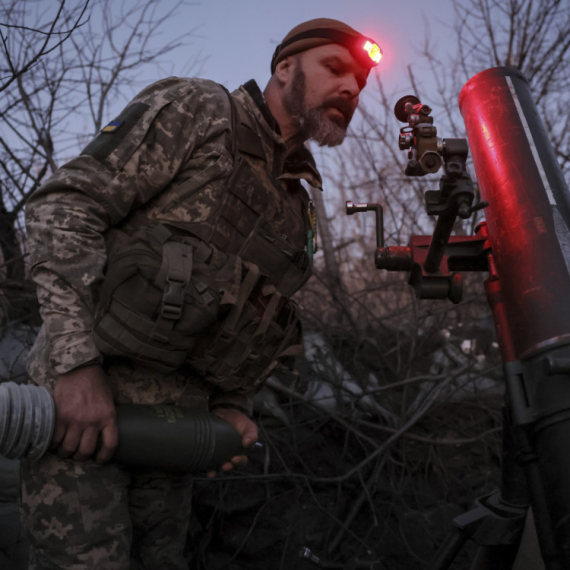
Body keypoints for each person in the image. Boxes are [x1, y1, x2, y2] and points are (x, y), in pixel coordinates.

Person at [21, 17, 381, 570]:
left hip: (176, 438)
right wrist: (74, 367)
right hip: (86, 415)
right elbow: (63, 209)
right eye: (336, 68)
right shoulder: (201, 112)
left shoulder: (297, 207)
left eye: (360, 83)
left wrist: (232, 409)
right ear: (285, 67)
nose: (352, 89)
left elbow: (254, 321)